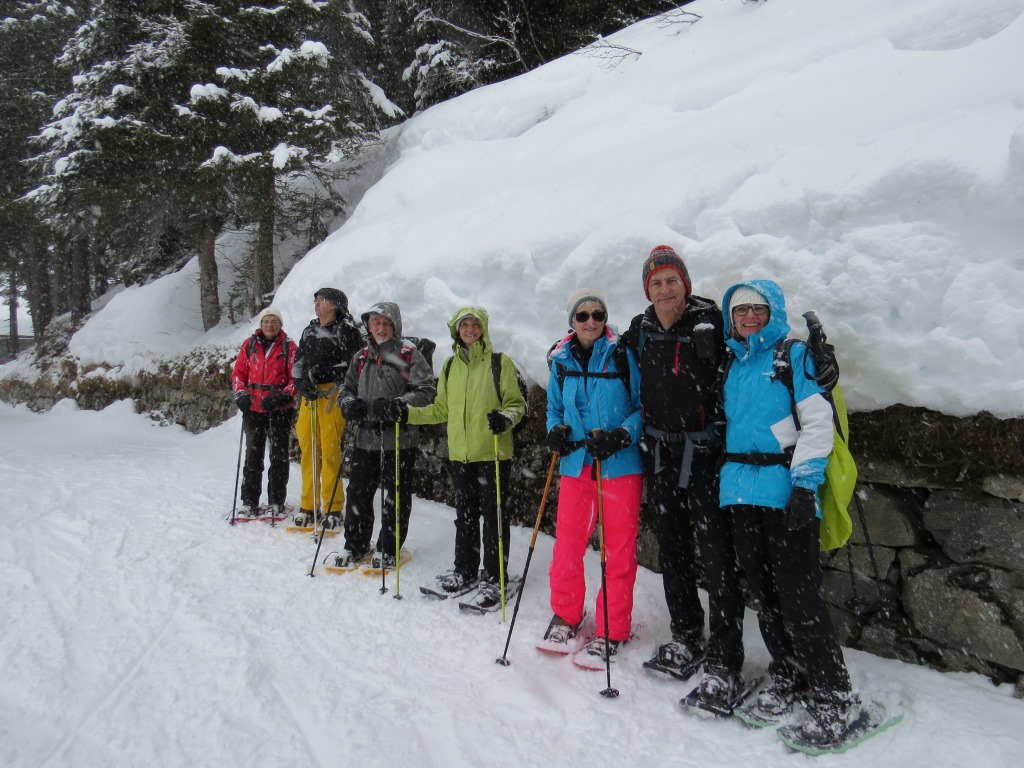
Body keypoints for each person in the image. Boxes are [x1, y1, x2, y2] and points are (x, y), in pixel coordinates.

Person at [719, 279, 860, 744]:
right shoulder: (732, 361)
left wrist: (804, 485)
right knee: (764, 592)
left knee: (799, 596)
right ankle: (788, 671)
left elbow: (817, 421)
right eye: (740, 311)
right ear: (730, 317)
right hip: (740, 493)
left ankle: (834, 693)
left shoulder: (792, 355)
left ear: (773, 312)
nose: (749, 317)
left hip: (785, 490)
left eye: (757, 309)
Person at [621, 245, 746, 701]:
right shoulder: (640, 330)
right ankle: (687, 634)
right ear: (647, 290)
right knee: (672, 551)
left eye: (672, 280)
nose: (664, 289)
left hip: (706, 456)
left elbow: (750, 359)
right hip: (659, 455)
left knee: (717, 555)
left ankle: (725, 657)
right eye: (656, 283)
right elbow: (605, 359)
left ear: (685, 284)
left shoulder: (711, 325)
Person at [538, 289, 643, 665]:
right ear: (572, 321)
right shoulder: (560, 359)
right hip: (575, 463)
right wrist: (554, 431)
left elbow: (644, 407)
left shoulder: (622, 354)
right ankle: (566, 614)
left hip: (619, 464)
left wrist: (622, 436)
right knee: (567, 544)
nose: (591, 321)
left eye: (598, 314)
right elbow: (553, 408)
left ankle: (613, 628)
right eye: (582, 315)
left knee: (618, 549)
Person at [405, 307, 527, 600]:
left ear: (483, 328)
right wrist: (407, 414)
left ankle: (496, 576)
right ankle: (466, 569)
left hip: (492, 453)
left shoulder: (499, 362)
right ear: (456, 330)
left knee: (494, 517)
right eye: (464, 325)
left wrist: (505, 418)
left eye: (475, 324)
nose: (470, 329)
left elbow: (517, 405)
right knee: (466, 516)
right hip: (460, 455)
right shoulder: (450, 366)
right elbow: (440, 410)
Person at [335, 301, 435, 569]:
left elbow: (426, 391)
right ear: (368, 326)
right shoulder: (360, 357)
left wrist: (398, 405)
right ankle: (355, 544)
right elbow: (346, 388)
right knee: (357, 492)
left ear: (395, 326)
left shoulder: (409, 355)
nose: (381, 327)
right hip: (364, 437)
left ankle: (389, 548)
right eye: (376, 322)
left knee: (396, 496)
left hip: (399, 438)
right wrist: (348, 404)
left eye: (386, 323)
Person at [290, 287, 364, 529]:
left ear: (334, 305)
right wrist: (300, 382)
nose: (316, 304)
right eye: (316, 300)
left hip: (332, 395)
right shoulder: (310, 330)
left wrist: (325, 373)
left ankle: (333, 507)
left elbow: (352, 364)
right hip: (309, 397)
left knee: (330, 451)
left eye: (321, 300)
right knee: (308, 449)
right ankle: (309, 505)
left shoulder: (346, 331)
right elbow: (299, 360)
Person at [231, 306, 297, 517]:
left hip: (279, 409)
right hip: (253, 408)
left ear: (280, 324)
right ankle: (249, 501)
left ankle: (276, 501)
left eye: (274, 321)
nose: (270, 325)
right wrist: (241, 394)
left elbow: (296, 377)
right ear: (261, 324)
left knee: (278, 457)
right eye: (266, 321)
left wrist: (283, 395)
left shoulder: (289, 347)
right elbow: (239, 373)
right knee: (253, 456)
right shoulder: (250, 345)